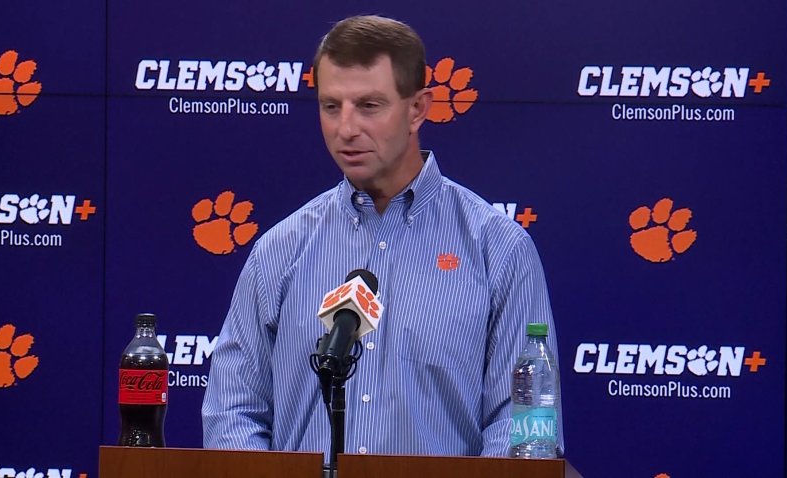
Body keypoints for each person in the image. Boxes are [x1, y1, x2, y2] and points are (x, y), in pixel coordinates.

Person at [201, 14, 561, 458]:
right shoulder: (280, 251)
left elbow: (521, 428)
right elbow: (232, 412)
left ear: (418, 108)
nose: (346, 129)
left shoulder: (498, 249)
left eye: (369, 106)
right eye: (331, 106)